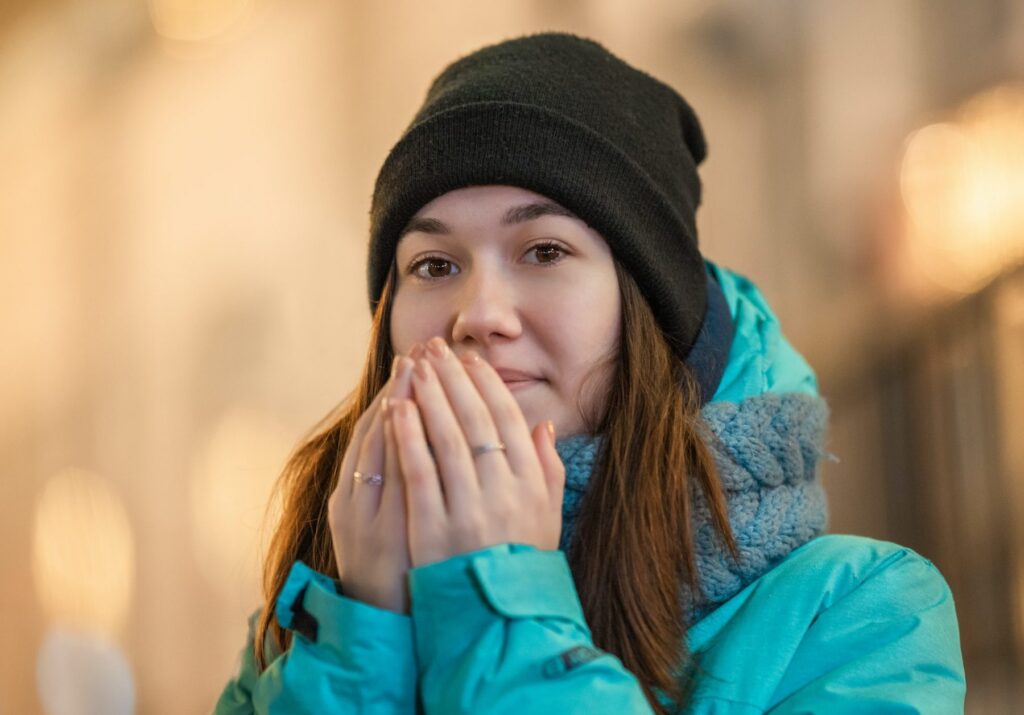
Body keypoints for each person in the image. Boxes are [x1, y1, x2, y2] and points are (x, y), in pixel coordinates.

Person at [213, 32, 966, 714]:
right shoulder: (306, 620)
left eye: (544, 250)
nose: (480, 313)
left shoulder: (865, 612)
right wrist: (362, 642)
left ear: (647, 304)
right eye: (434, 264)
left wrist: (499, 601)